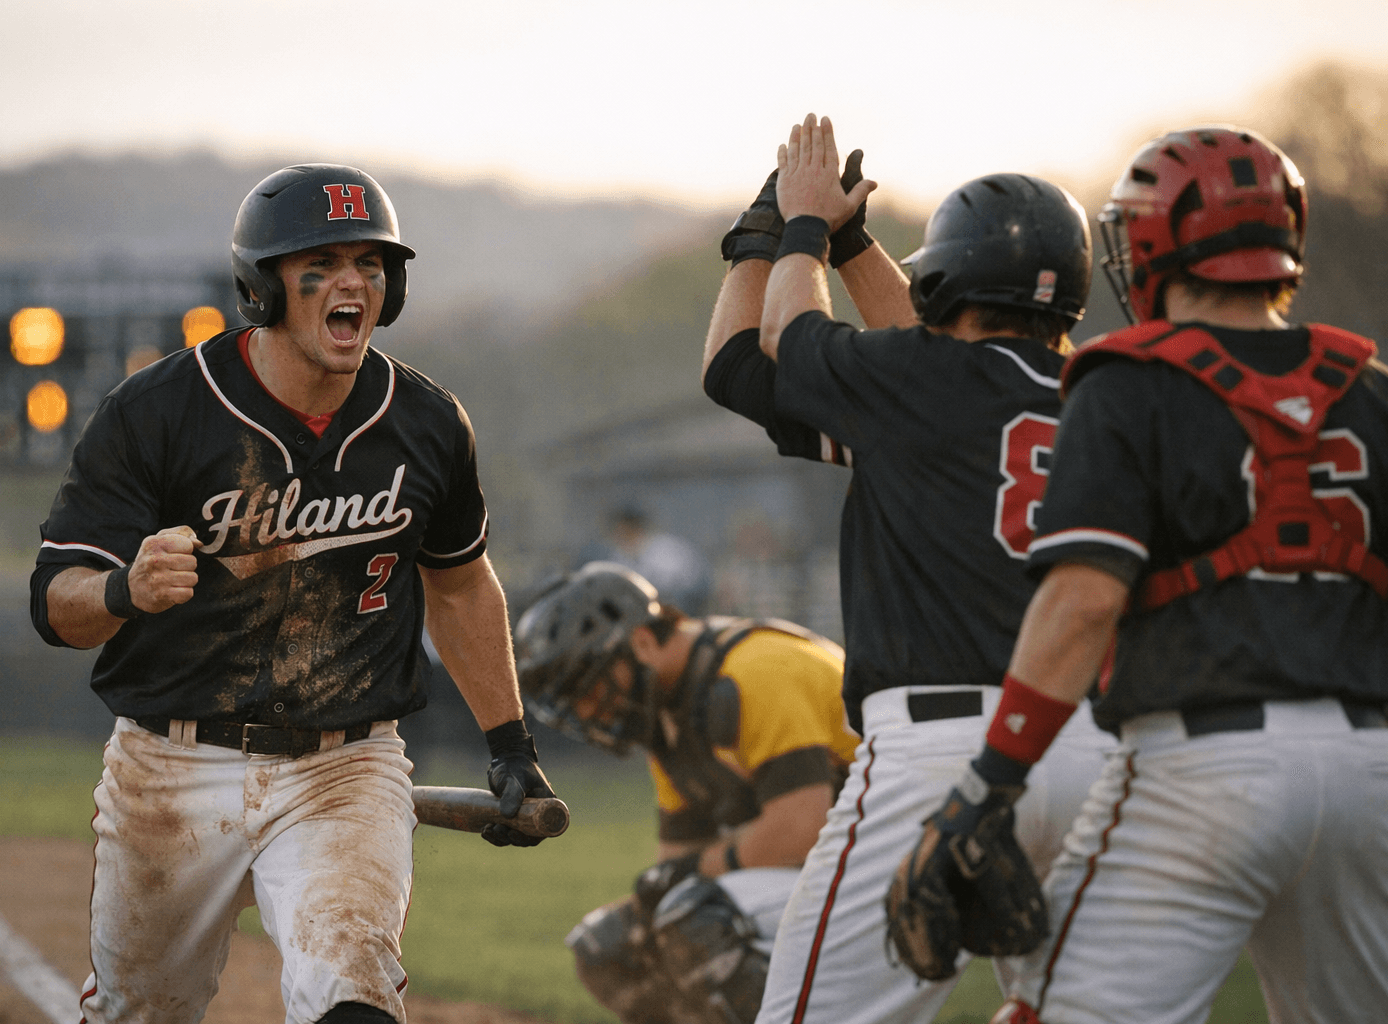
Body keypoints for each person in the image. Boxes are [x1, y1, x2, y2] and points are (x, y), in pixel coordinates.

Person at [29, 163, 556, 1024]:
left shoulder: (426, 423)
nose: (353, 282)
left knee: (352, 985)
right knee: (138, 1010)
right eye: (322, 263)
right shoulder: (157, 411)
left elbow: (459, 588)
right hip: (170, 764)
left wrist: (510, 744)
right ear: (262, 289)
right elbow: (56, 602)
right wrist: (124, 589)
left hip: (346, 766)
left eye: (371, 264)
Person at [896, 125, 1388, 1024]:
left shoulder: (1127, 380)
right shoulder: (1373, 388)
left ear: (1155, 247)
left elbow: (1083, 603)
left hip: (1203, 766)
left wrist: (988, 784)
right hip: (1369, 770)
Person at [701, 114, 1116, 1024]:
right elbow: (923, 368)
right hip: (1093, 753)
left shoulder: (913, 389)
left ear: (945, 275)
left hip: (935, 753)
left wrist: (793, 230)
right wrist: (852, 244)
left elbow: (763, 350)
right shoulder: (1100, 394)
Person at [514, 561, 857, 1024]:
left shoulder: (755, 670)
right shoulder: (672, 708)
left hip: (891, 861)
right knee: (609, 946)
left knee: (692, 919)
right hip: (831, 866)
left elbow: (800, 827)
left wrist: (689, 874)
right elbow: (677, 858)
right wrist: (667, 887)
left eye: (589, 686)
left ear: (641, 642)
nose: (589, 710)